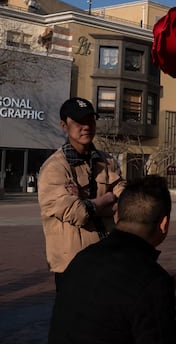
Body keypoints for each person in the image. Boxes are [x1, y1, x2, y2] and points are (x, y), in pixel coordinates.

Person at [48, 175, 176, 344]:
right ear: (164, 223)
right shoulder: (152, 280)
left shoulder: (81, 259)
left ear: (116, 216)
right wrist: (159, 296)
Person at [38, 97, 126, 289]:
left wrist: (87, 201)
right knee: (75, 318)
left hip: (109, 258)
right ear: (64, 125)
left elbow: (128, 202)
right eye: (79, 121)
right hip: (74, 265)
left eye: (90, 120)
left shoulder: (107, 160)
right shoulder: (55, 168)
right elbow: (77, 213)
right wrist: (108, 198)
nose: (86, 126)